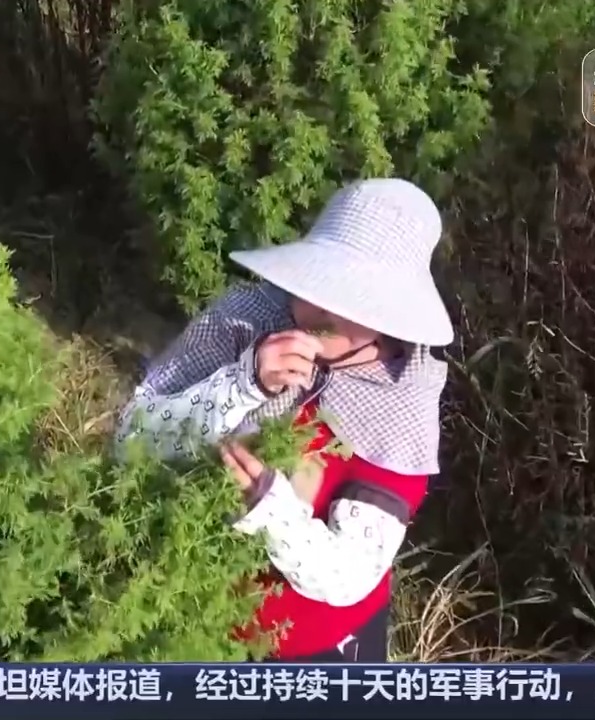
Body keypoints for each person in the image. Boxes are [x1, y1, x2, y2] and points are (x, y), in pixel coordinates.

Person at [113, 178, 453, 662]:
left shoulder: (402, 405)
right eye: (319, 283)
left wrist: (271, 509)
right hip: (177, 604)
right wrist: (244, 382)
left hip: (307, 649)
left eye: (353, 297)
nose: (323, 310)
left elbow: (347, 577)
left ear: (391, 315)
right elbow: (132, 437)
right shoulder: (244, 320)